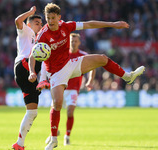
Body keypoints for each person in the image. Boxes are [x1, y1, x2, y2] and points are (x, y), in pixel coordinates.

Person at [28, 3, 145, 150]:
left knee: (102, 58)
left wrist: (113, 24)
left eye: (53, 18)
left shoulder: (67, 26)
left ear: (59, 17)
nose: (50, 21)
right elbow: (33, 55)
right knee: (57, 103)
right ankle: (53, 139)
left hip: (70, 64)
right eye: (48, 18)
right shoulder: (43, 35)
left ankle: (127, 76)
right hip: (56, 73)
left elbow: (89, 24)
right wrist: (32, 71)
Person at [45, 33, 96, 146]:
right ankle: (53, 133)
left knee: (70, 112)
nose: (73, 43)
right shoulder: (63, 54)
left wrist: (90, 80)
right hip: (60, 87)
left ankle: (67, 136)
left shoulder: (83, 55)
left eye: (75, 41)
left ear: (79, 42)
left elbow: (93, 66)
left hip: (73, 89)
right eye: (71, 41)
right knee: (54, 109)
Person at [12, 6, 49, 150]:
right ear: (29, 24)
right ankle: (46, 78)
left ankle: (19, 144)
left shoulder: (38, 37)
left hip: (26, 74)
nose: (40, 25)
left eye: (41, 23)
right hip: (23, 66)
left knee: (32, 112)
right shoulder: (25, 31)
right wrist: (30, 13)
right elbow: (17, 20)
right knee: (45, 53)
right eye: (37, 23)